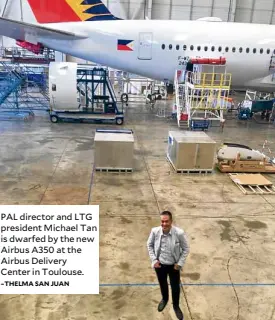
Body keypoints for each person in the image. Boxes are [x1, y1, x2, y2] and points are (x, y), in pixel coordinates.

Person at [147, 211, 189, 320]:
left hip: (173, 266)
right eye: (162, 221)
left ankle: (176, 306)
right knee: (163, 284)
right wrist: (154, 260)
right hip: (160, 265)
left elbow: (186, 249)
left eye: (166, 221)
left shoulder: (179, 233)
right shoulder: (155, 231)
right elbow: (149, 245)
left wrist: (179, 264)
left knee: (175, 287)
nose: (164, 224)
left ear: (171, 221)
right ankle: (164, 299)